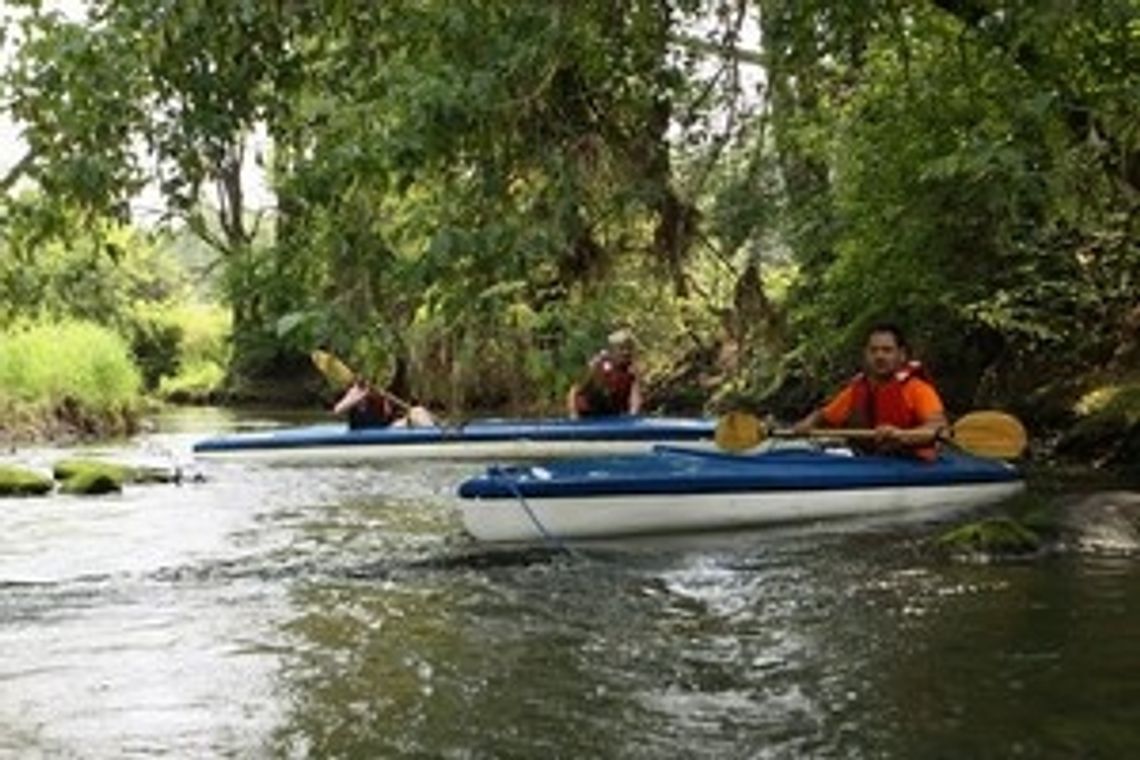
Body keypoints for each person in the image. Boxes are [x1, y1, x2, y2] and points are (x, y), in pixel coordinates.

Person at [792, 323, 947, 459]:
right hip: (869, 464)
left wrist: (901, 436)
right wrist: (809, 422)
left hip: (911, 466)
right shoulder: (856, 389)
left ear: (901, 355)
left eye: (887, 350)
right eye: (873, 350)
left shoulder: (918, 389)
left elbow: (939, 428)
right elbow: (824, 415)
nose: (879, 356)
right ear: (866, 354)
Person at [567, 329, 644, 418]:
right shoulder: (597, 364)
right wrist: (573, 414)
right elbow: (574, 390)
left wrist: (633, 415)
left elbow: (635, 398)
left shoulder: (632, 370)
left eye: (629, 348)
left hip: (611, 415)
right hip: (587, 416)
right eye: (622, 348)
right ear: (613, 350)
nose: (626, 352)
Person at [333, 377, 435, 429]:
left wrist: (385, 401)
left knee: (418, 411)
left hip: (386, 430)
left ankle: (435, 435)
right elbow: (337, 410)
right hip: (365, 435)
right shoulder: (352, 397)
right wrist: (357, 396)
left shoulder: (378, 397)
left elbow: (389, 419)